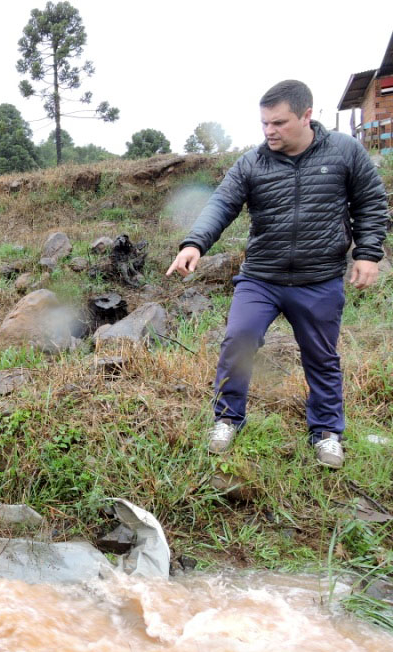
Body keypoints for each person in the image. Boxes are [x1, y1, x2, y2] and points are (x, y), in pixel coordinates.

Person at [166, 79, 388, 469]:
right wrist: (194, 244)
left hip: (319, 279)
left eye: (279, 123)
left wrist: (368, 255)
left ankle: (326, 432)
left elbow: (371, 202)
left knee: (321, 357)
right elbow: (221, 203)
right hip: (262, 278)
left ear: (307, 115)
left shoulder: (344, 152)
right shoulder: (252, 162)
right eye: (265, 123)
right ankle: (227, 420)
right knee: (238, 339)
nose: (270, 131)